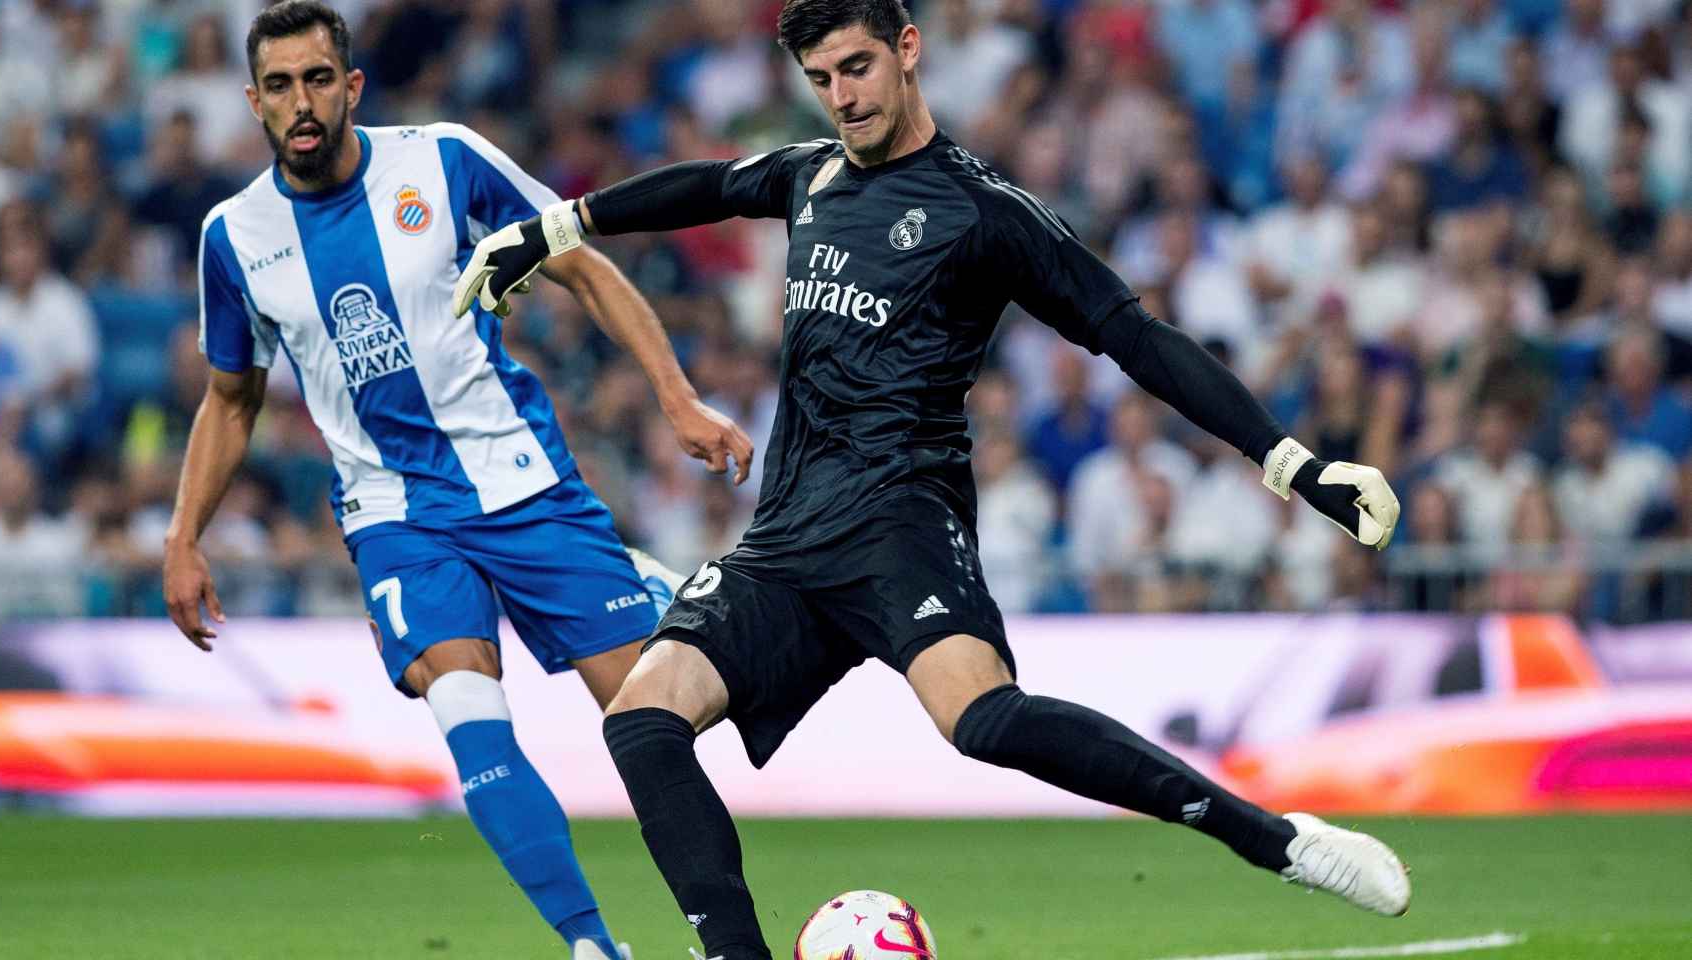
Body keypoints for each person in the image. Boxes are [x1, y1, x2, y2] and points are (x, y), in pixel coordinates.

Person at [455, 4, 1407, 958]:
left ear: (908, 50)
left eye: (857, 68)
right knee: (643, 721)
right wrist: (557, 225)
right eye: (821, 78)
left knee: (982, 720)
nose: (842, 97)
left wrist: (1295, 464)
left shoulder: (983, 210)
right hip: (786, 538)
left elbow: (1136, 337)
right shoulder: (810, 176)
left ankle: (1279, 842)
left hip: (902, 520)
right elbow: (704, 186)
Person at [160, 5, 753, 960]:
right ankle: (593, 947)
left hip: (525, 487)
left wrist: (678, 401)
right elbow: (231, 400)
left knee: (654, 723)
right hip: (397, 519)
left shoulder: (441, 160)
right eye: (280, 86)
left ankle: (726, 940)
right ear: (253, 102)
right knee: (471, 723)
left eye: (318, 80)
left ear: (352, 87)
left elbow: (583, 267)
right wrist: (183, 536)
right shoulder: (234, 238)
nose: (301, 104)